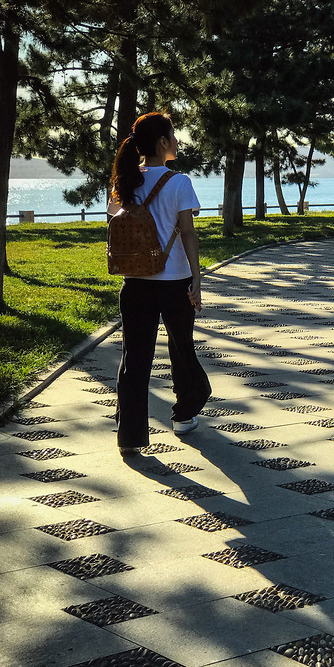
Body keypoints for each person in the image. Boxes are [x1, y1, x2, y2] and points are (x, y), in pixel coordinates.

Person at [107, 112, 211, 457]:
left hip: (134, 281)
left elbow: (114, 217)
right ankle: (183, 416)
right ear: (163, 142)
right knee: (181, 348)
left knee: (134, 356)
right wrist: (197, 278)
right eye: (173, 135)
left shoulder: (125, 179)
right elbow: (188, 233)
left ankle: (130, 435)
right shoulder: (179, 182)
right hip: (173, 280)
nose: (178, 141)